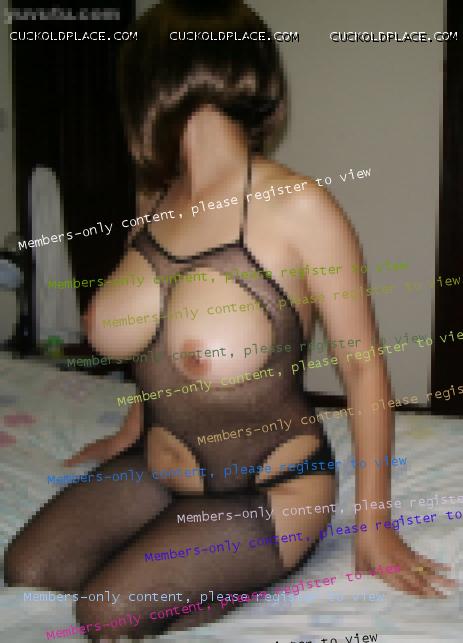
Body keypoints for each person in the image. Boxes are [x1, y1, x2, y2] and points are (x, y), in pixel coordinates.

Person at [4, 1, 454, 639]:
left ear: (151, 83)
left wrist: (374, 524)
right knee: (29, 567)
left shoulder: (298, 207)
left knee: (106, 611)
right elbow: (157, 351)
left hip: (271, 486)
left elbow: (362, 367)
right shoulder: (152, 203)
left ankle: (261, 563)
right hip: (160, 465)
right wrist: (126, 434)